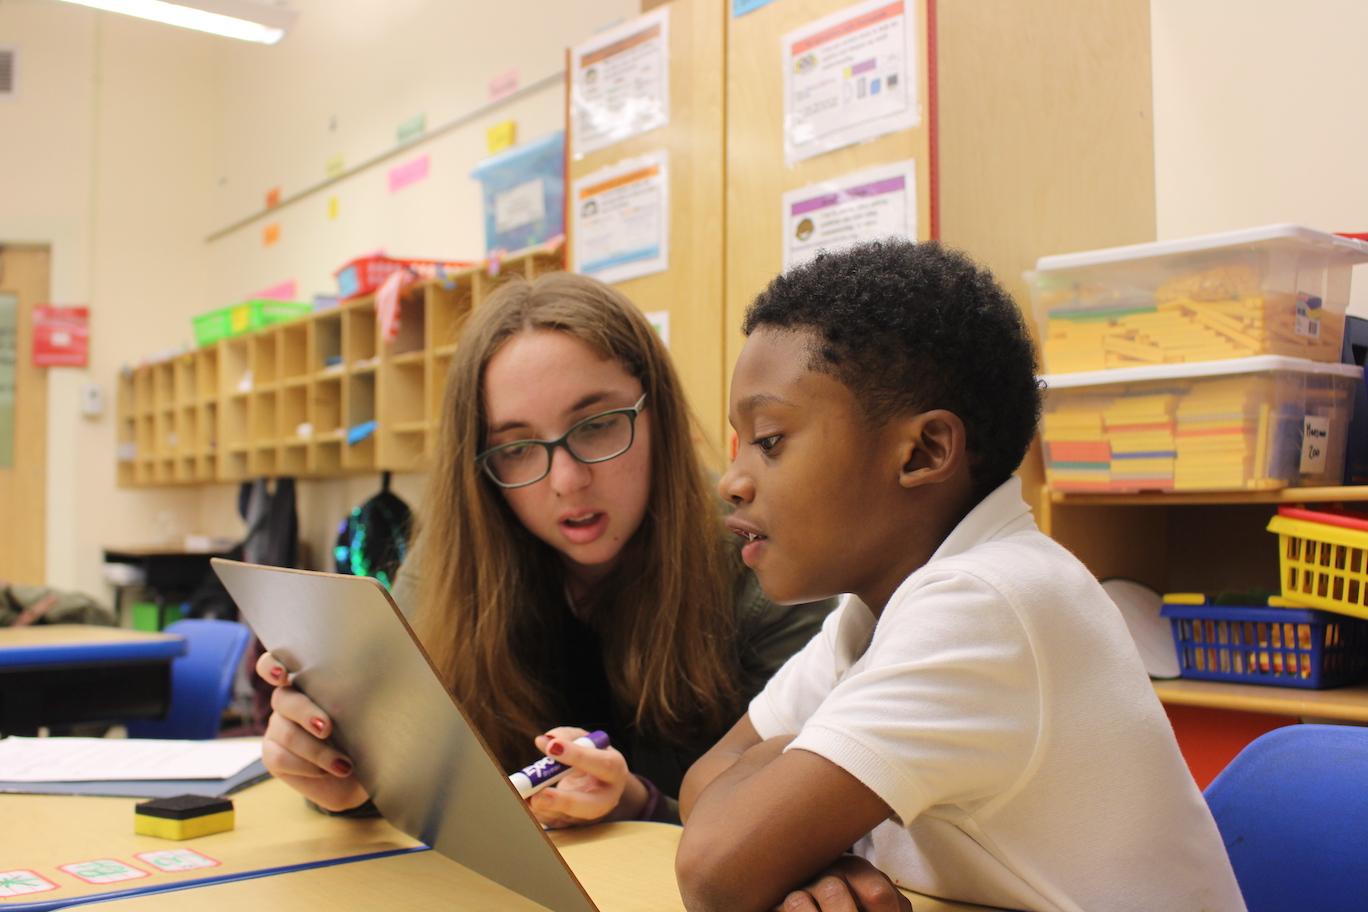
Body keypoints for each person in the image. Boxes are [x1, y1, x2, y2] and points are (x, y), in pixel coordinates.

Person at [675, 240, 1245, 912]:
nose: (735, 481)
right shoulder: (871, 612)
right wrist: (816, 859)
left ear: (924, 451)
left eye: (770, 441)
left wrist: (778, 826)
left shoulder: (988, 602)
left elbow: (715, 868)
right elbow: (702, 787)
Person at [256, 272, 833, 827]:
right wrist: (343, 775)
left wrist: (641, 805)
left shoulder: (758, 557)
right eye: (517, 449)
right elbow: (398, 756)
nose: (566, 480)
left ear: (656, 411)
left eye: (598, 424)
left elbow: (805, 815)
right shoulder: (455, 558)